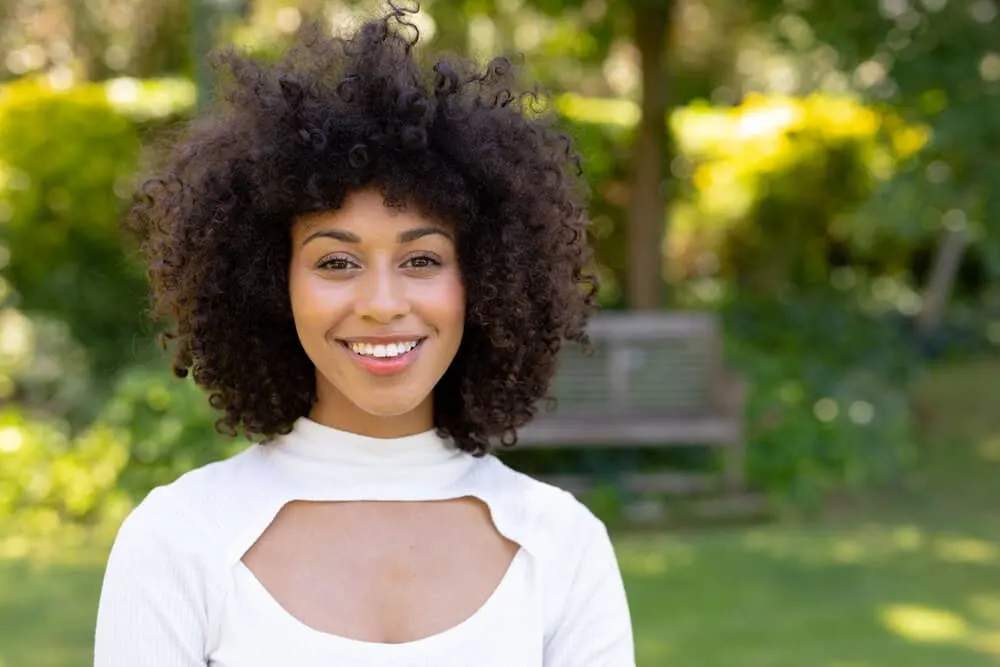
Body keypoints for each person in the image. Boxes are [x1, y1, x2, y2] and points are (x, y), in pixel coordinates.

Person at [94, 3, 635, 666]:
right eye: (336, 262)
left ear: (486, 279)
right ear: (270, 283)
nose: (382, 303)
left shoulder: (561, 545)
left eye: (422, 260)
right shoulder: (180, 538)